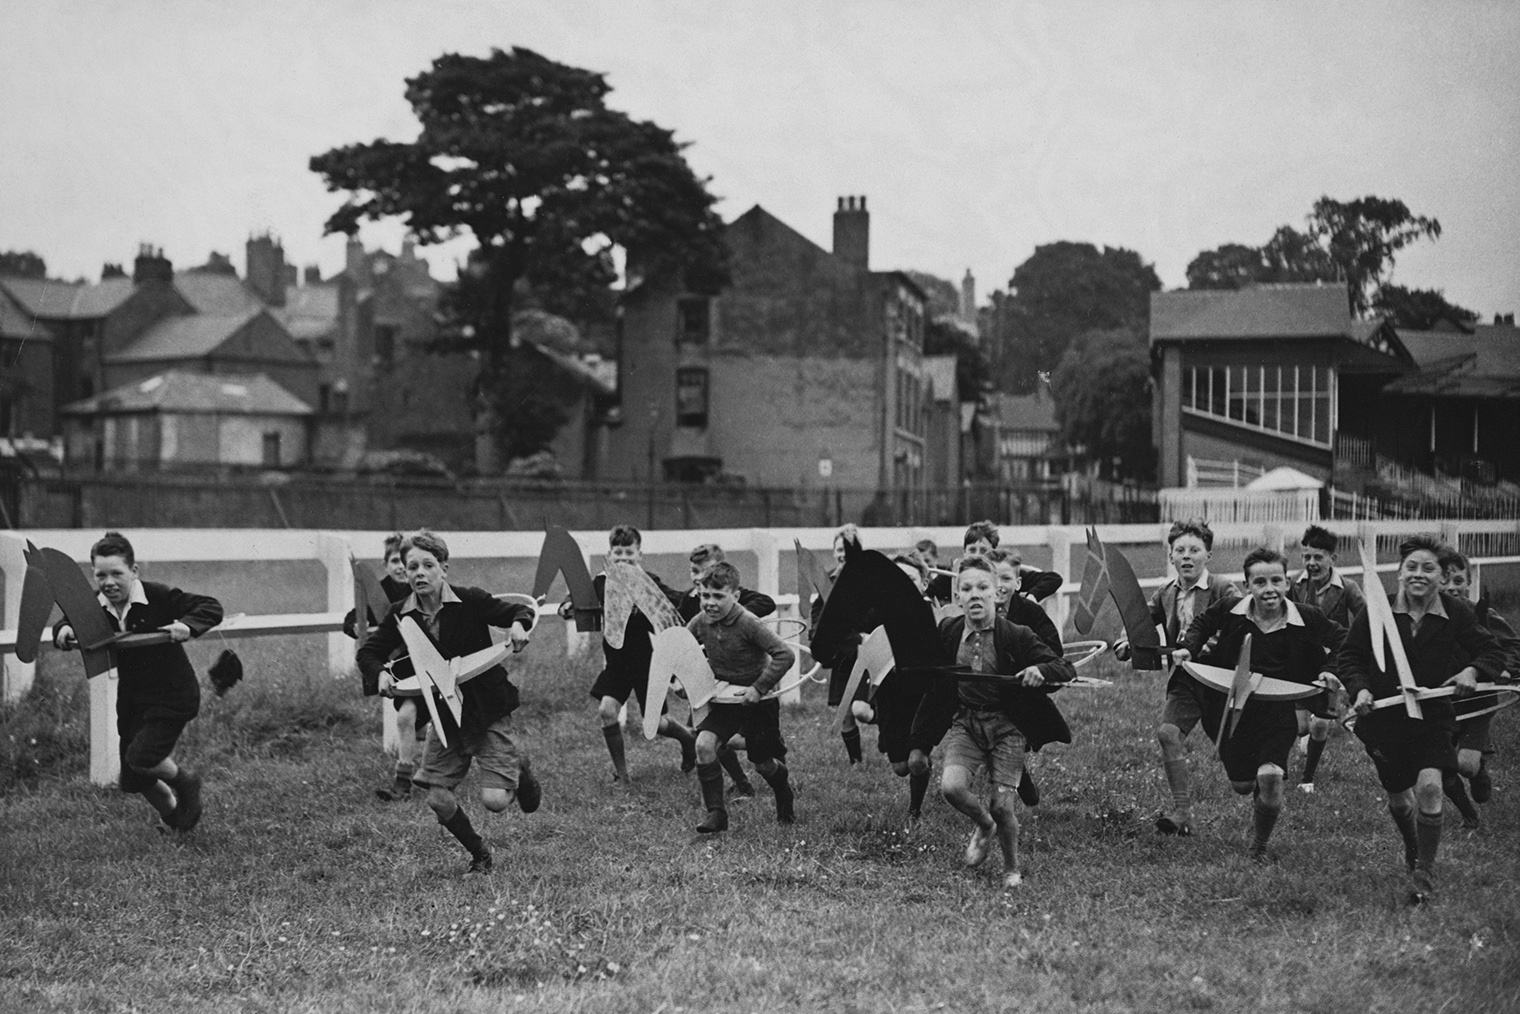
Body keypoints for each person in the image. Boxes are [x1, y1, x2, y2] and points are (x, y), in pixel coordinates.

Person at [357, 530, 539, 874]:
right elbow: (370, 650)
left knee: (496, 802)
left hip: (485, 708)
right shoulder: (401, 614)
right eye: (412, 567)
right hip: (444, 712)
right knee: (437, 797)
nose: (419, 573)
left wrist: (518, 625)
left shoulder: (470, 600)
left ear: (444, 568)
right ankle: (480, 855)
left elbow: (516, 610)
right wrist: (379, 672)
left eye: (428, 565)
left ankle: (520, 765)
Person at [1338, 535, 1506, 904]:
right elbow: (1349, 658)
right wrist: (1361, 690)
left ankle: (1424, 874)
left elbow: (1491, 650)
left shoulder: (1455, 612)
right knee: (1400, 799)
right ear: (1399, 573)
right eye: (1411, 567)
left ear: (1441, 577)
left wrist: (1472, 672)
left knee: (1430, 786)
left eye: (1428, 568)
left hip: (1432, 716)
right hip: (1383, 719)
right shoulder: (1377, 612)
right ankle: (1413, 848)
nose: (1419, 574)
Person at [1171, 548, 1345, 860]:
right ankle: (1257, 797)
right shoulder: (1231, 608)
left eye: (1276, 580)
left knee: (1271, 777)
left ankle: (1258, 847)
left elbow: (1345, 640)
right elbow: (1201, 624)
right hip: (1230, 709)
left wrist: (1329, 672)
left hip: (1278, 711)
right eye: (1260, 582)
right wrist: (1187, 648)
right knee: (1242, 784)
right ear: (1248, 584)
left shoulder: (1306, 617)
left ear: (1288, 583)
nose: (1269, 589)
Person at [52, 531, 223, 833]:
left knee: (143, 756)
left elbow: (210, 607)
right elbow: (67, 621)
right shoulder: (94, 604)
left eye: (117, 573)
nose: (109, 582)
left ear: (133, 571)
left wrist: (186, 625)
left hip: (173, 694)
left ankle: (187, 783)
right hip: (132, 697)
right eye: (100, 575)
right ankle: (174, 819)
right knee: (133, 777)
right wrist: (64, 629)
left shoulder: (157, 595)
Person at [937, 556, 1075, 888]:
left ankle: (1011, 867)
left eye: (983, 587)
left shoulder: (1017, 634)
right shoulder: (948, 631)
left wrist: (1040, 671)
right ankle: (984, 825)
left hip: (1007, 727)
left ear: (997, 594)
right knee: (951, 787)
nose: (974, 595)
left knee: (1002, 805)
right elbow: (933, 684)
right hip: (967, 724)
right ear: (957, 597)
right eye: (966, 588)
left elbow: (1064, 668)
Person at [1115, 519, 1241, 836]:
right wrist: (1125, 641)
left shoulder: (1223, 589)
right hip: (1185, 680)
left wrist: (1205, 647)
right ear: (1170, 557)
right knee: (1168, 734)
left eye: (1195, 550)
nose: (1187, 556)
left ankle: (1258, 780)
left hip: (1220, 681)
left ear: (1208, 555)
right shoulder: (1166, 593)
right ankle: (1182, 814)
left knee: (1241, 774)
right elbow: (1139, 621)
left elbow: (1239, 630)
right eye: (1180, 550)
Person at [580, 525, 697, 783]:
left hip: (648, 662)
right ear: (610, 554)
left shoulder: (649, 582)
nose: (623, 558)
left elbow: (676, 602)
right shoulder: (601, 582)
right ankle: (622, 775)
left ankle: (688, 738)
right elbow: (579, 604)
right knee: (607, 711)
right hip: (616, 662)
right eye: (617, 552)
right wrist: (568, 606)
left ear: (639, 554)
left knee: (658, 724)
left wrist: (694, 595)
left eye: (629, 552)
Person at [687, 562, 796, 834]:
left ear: (735, 596)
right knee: (703, 744)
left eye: (718, 596)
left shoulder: (749, 622)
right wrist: (682, 682)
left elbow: (785, 654)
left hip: (758, 701)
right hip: (724, 699)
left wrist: (758, 688)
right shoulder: (700, 622)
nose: (710, 603)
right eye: (704, 596)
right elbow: (683, 652)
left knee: (763, 764)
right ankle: (716, 813)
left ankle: (783, 791)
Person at [679, 543, 776, 796]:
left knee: (754, 745)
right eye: (694, 571)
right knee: (707, 737)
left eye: (706, 570)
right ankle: (741, 784)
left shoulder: (732, 599)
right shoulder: (691, 600)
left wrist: (732, 619)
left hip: (746, 680)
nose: (700, 577)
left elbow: (766, 602)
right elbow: (681, 640)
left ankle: (774, 764)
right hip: (712, 681)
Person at [1436, 547, 1519, 826]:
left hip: (1477, 700)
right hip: (1439, 702)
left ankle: (1480, 767)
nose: (1451, 588)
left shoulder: (1481, 614)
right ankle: (1469, 816)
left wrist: (1504, 668)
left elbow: (1511, 645)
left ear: (1468, 583)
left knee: (1466, 765)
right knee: (1440, 766)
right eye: (1443, 581)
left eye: (1458, 581)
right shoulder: (1423, 622)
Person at [344, 533, 426, 801]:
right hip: (403, 669)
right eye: (394, 561)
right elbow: (354, 615)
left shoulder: (424, 588)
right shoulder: (378, 592)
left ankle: (440, 769)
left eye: (406, 561)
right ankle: (403, 784)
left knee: (429, 722)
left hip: (432, 664)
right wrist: (356, 625)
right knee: (406, 719)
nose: (401, 567)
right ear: (385, 565)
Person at [1287, 525, 1366, 795]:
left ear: (1333, 558)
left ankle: (1307, 777)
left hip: (1334, 661)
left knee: (1320, 721)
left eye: (1318, 557)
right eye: (1307, 557)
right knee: (1299, 726)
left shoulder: (1347, 588)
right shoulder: (1295, 586)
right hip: (1301, 660)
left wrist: (1355, 650)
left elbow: (1365, 620)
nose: (1312, 563)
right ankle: (1303, 738)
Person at [987, 547, 1062, 808]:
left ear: (1018, 583)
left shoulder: (1029, 611)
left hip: (1021, 689)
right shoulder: (973, 611)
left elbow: (1055, 652)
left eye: (1006, 578)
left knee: (1011, 735)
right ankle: (1015, 771)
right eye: (992, 577)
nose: (998, 585)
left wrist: (1036, 668)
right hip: (984, 690)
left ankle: (1018, 769)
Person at [959, 521, 1063, 602]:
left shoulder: (1007, 575)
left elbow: (1053, 579)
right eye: (972, 550)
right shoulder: (954, 575)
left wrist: (1033, 596)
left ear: (994, 552)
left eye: (983, 551)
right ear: (964, 552)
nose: (977, 556)